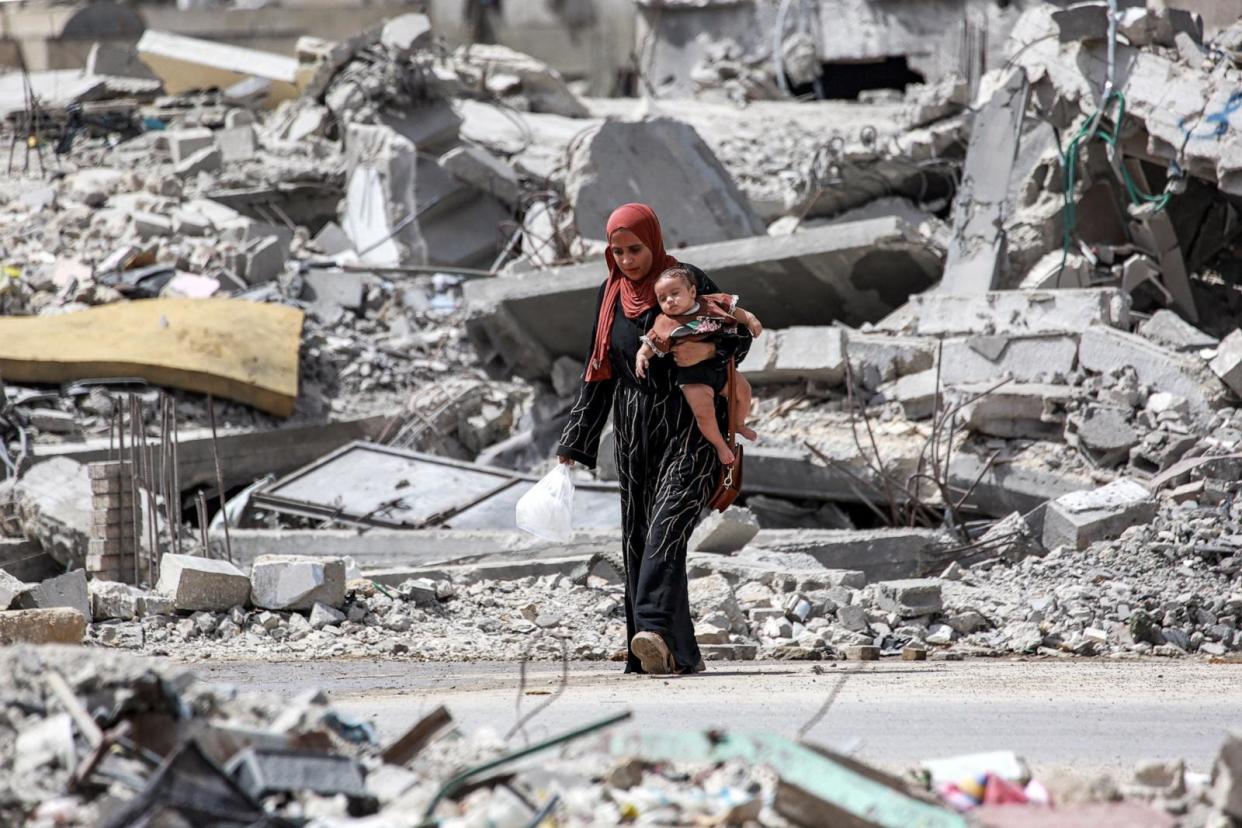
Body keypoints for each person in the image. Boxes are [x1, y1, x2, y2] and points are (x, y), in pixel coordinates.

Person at [556, 203, 751, 675]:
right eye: (618, 251)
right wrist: (573, 443)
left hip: (689, 422)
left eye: (635, 249)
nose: (627, 260)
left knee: (667, 528)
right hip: (634, 429)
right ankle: (673, 655)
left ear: (654, 241)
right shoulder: (610, 296)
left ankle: (650, 626)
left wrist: (701, 348)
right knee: (639, 538)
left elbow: (737, 336)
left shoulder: (684, 279)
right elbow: (597, 373)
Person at [634, 266, 762, 465]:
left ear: (692, 292)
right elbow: (650, 343)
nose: (669, 301)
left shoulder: (711, 303)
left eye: (675, 294)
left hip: (718, 366)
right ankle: (720, 444)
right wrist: (642, 355)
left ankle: (738, 424)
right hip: (692, 376)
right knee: (704, 413)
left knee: (744, 391)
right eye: (662, 298)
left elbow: (736, 312)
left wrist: (751, 318)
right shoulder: (665, 322)